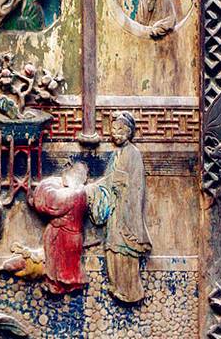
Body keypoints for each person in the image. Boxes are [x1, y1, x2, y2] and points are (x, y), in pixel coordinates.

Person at [88, 111, 152, 303]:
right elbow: (108, 179)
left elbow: (137, 185)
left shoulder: (134, 154)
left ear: (130, 132)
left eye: (121, 130)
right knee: (113, 247)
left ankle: (131, 291)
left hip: (127, 210)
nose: (116, 134)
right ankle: (116, 286)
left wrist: (122, 185)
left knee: (126, 250)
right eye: (114, 130)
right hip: (115, 209)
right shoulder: (116, 154)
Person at [0, 161, 89, 294]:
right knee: (62, 262)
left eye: (66, 176)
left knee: (62, 263)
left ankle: (60, 286)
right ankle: (61, 285)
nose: (63, 180)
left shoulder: (74, 193)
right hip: (68, 235)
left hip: (65, 235)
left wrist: (39, 195)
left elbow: (51, 203)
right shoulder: (79, 192)